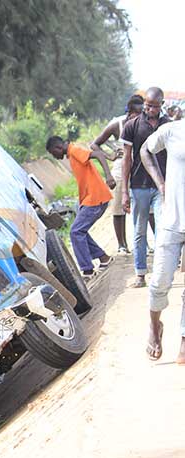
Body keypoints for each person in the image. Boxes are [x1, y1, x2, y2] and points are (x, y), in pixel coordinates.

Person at [140, 119, 185, 362]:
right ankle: (155, 327)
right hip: (172, 221)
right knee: (159, 282)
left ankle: (184, 340)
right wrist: (160, 183)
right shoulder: (172, 131)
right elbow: (145, 149)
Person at [46, 135, 115, 280]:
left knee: (76, 232)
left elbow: (97, 154)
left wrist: (108, 176)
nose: (56, 157)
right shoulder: (72, 153)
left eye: (54, 154)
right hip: (90, 199)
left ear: (58, 148)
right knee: (79, 231)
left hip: (95, 198)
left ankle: (87, 270)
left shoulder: (74, 150)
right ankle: (103, 258)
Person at [121, 87, 170, 288]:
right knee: (140, 231)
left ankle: (161, 274)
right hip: (139, 185)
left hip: (162, 187)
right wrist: (124, 191)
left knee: (163, 230)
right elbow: (126, 159)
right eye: (148, 105)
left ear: (162, 105)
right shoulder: (131, 126)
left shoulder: (168, 126)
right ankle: (140, 274)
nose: (150, 109)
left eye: (154, 106)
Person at [91, 94, 144, 254]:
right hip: (121, 168)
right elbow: (94, 144)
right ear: (130, 112)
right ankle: (122, 245)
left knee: (144, 207)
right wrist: (110, 156)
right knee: (119, 208)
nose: (141, 116)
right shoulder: (117, 125)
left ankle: (144, 244)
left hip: (140, 167)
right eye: (138, 113)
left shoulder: (144, 123)